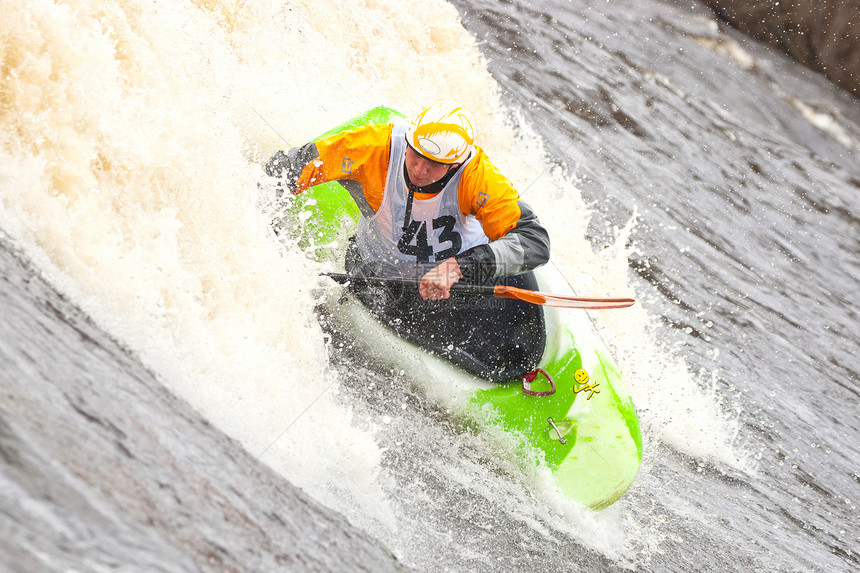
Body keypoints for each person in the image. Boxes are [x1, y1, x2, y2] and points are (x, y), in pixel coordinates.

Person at [265, 101, 551, 380]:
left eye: (435, 164)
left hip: (463, 282)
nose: (419, 170)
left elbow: (534, 241)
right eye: (416, 154)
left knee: (513, 351)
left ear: (456, 163)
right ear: (409, 140)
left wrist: (460, 267)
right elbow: (279, 173)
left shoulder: (479, 176)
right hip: (384, 278)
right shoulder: (372, 147)